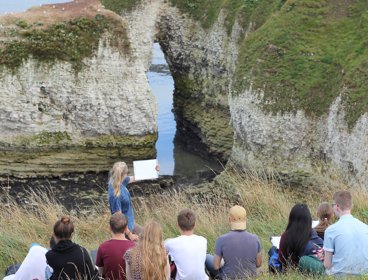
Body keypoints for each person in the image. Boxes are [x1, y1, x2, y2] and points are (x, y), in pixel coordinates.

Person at [206, 205, 262, 279]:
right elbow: (258, 264)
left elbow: (216, 266)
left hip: (227, 277)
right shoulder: (255, 238)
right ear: (245, 219)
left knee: (207, 257)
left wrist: (223, 261)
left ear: (229, 220)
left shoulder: (221, 239)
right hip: (250, 277)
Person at [108, 161, 159, 241]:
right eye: (127, 172)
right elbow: (119, 220)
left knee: (151, 238)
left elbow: (135, 178)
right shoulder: (115, 195)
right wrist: (130, 234)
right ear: (123, 174)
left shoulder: (118, 181)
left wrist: (153, 169)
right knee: (141, 248)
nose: (128, 174)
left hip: (131, 223)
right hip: (125, 230)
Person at [324, 190, 368, 276]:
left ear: (336, 207)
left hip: (339, 276)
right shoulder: (366, 228)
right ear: (352, 206)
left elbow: (327, 265)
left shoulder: (331, 230)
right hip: (364, 275)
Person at [46, 215, 98, 280]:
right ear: (72, 234)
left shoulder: (50, 255)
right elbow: (91, 276)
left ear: (54, 235)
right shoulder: (82, 251)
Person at [164, 209, 208, 280]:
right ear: (194, 225)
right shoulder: (203, 240)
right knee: (207, 257)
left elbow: (163, 249)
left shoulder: (171, 243)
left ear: (178, 225)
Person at [278, 203, 323, 271]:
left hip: (290, 272)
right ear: (309, 219)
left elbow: (281, 260)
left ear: (291, 219)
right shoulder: (314, 236)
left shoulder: (286, 236)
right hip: (310, 272)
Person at [96, 213, 136, 280]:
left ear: (110, 228)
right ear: (126, 228)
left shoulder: (103, 247)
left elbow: (100, 272)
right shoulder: (134, 247)